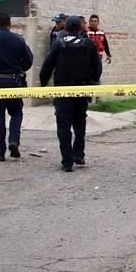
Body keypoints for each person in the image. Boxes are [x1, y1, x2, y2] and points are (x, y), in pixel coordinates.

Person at [39, 15, 102, 172]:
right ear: (81, 28)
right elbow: (97, 66)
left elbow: (47, 64)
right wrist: (93, 81)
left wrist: (43, 82)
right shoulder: (88, 43)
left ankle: (67, 161)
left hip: (63, 90)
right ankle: (78, 155)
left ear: (66, 28)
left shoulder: (59, 43)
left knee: (64, 126)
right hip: (82, 89)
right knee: (80, 123)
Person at [0, 13, 33, 161]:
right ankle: (13, 140)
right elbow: (29, 61)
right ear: (10, 23)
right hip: (14, 82)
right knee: (16, 112)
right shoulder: (19, 40)